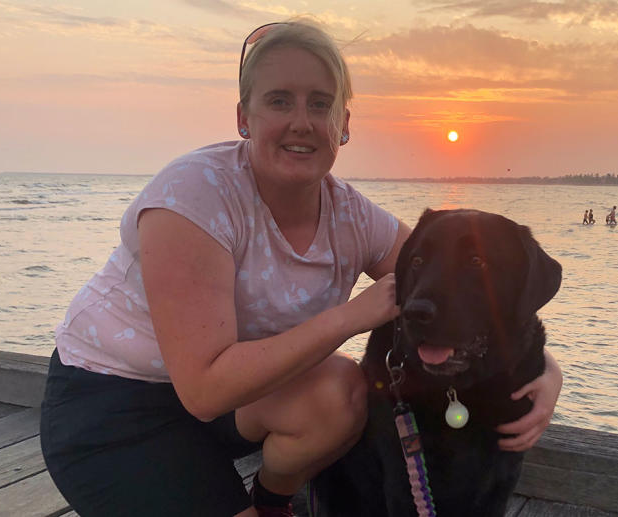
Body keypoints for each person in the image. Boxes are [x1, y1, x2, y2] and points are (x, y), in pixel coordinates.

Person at [39, 20, 563, 517]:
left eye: (320, 103)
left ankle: (271, 498)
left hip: (237, 410)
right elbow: (203, 391)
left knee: (342, 390)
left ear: (344, 125)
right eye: (279, 101)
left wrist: (545, 366)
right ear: (244, 117)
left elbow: (454, 287)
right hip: (114, 408)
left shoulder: (351, 215)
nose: (302, 122)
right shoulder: (193, 196)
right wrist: (349, 317)